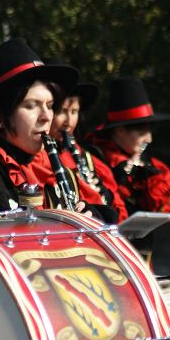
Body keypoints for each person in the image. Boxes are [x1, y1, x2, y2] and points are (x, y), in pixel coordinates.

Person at [0, 38, 109, 217]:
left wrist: (89, 216)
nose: (45, 117)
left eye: (49, 106)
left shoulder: (55, 170)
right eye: (31, 105)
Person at [85, 77, 170, 218]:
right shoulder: (95, 159)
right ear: (120, 130)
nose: (149, 139)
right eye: (141, 133)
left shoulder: (147, 161)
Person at [44, 60, 127, 223]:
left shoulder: (85, 158)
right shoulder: (39, 158)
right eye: (62, 111)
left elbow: (119, 212)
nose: (68, 121)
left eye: (74, 111)